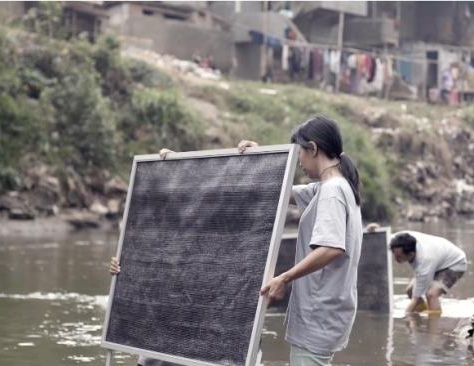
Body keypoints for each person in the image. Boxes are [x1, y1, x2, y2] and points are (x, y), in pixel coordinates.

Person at [112, 115, 363, 366]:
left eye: (299, 153)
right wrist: (179, 167)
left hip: (320, 313)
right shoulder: (329, 188)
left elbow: (331, 248)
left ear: (314, 149)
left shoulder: (331, 191)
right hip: (326, 312)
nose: (299, 162)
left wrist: (284, 277)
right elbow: (277, 187)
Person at [389, 230, 467, 314]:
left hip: (455, 263)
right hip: (437, 258)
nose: (395, 259)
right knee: (410, 291)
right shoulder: (397, 239)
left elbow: (415, 299)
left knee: (431, 294)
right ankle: (421, 314)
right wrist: (373, 230)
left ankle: (434, 323)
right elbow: (383, 238)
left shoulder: (424, 262)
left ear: (411, 254)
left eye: (398, 257)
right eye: (393, 253)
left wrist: (405, 315)